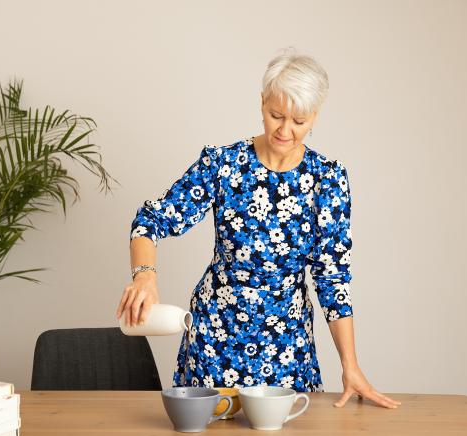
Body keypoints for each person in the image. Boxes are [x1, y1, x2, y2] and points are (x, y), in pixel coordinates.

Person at [116, 48, 401, 409]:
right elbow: (151, 219)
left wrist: (351, 365)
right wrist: (145, 276)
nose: (285, 130)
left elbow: (332, 278)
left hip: (288, 348)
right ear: (262, 102)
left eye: (298, 121)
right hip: (215, 338)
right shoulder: (223, 164)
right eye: (276, 115)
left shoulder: (327, 179)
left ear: (315, 116)